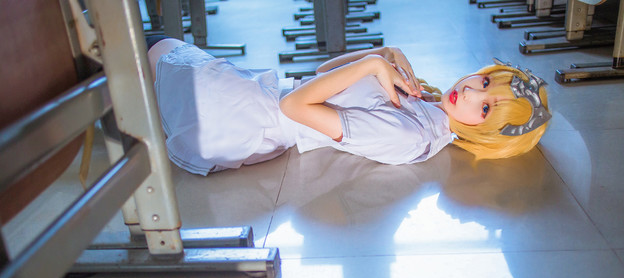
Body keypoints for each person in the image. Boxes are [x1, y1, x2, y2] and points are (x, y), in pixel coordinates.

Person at [146, 36, 550, 176]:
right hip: (247, 102)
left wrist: (372, 65)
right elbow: (324, 72)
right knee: (135, 58)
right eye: (484, 82)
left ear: (486, 133)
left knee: (142, 45)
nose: (472, 92)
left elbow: (293, 106)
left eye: (485, 109)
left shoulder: (409, 134)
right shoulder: (426, 105)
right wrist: (381, 54)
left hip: (239, 114)